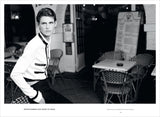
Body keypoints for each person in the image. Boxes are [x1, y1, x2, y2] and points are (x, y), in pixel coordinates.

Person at [10, 8, 71, 104]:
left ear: (55, 24)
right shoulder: (34, 44)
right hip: (36, 88)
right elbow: (15, 74)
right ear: (39, 25)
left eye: (50, 23)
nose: (47, 27)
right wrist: (36, 96)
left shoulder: (45, 40)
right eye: (43, 23)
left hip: (44, 84)